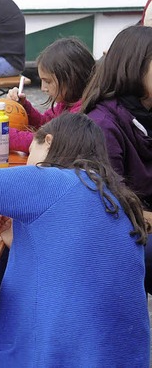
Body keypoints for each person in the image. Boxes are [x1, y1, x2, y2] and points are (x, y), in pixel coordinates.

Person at [0, 112, 150, 366]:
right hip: (119, 355)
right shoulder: (115, 195)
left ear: (48, 141)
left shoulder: (50, 179)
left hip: (59, 356)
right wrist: (23, 242)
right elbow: (83, 262)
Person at [81, 24, 152, 292]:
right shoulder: (103, 124)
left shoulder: (146, 113)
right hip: (115, 233)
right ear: (135, 67)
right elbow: (112, 205)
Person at [6, 37, 95, 153]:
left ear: (72, 78)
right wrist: (24, 107)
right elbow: (46, 123)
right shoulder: (67, 102)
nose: (43, 88)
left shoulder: (82, 114)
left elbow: (46, 142)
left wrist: (2, 135)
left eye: (48, 81)